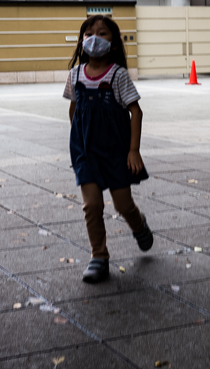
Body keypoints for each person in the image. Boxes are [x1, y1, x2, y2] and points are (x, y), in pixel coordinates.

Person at [64, 15, 154, 283]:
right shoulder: (75, 75)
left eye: (102, 34)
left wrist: (133, 150)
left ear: (113, 44)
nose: (94, 39)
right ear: (82, 41)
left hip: (116, 151)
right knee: (92, 205)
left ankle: (139, 224)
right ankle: (98, 256)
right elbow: (74, 109)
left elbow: (135, 112)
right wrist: (79, 142)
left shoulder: (118, 75)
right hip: (86, 153)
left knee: (123, 204)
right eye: (89, 33)